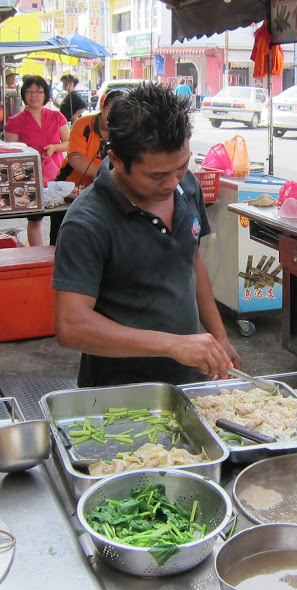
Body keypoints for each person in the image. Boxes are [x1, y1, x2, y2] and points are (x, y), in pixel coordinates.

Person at [52, 81, 241, 388]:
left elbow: (192, 263)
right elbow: (71, 325)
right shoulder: (87, 222)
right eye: (156, 175)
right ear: (117, 161)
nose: (171, 184)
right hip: (120, 394)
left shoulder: (188, 185)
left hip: (189, 383)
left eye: (180, 167)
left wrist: (220, 337)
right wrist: (171, 344)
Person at [49, 90, 124, 245]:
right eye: (111, 112)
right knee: (61, 243)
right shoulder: (82, 124)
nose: (114, 118)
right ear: (102, 107)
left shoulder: (124, 131)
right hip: (69, 191)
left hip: (103, 195)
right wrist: (104, 174)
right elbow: (75, 158)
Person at [4, 74, 69, 246]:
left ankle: (58, 254)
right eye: (30, 91)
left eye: (39, 92)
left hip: (56, 175)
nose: (34, 95)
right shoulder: (15, 121)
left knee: (60, 218)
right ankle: (37, 257)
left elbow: (69, 143)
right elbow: (10, 152)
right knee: (35, 220)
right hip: (29, 178)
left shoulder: (57, 117)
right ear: (24, 94)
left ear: (45, 94)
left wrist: (55, 147)